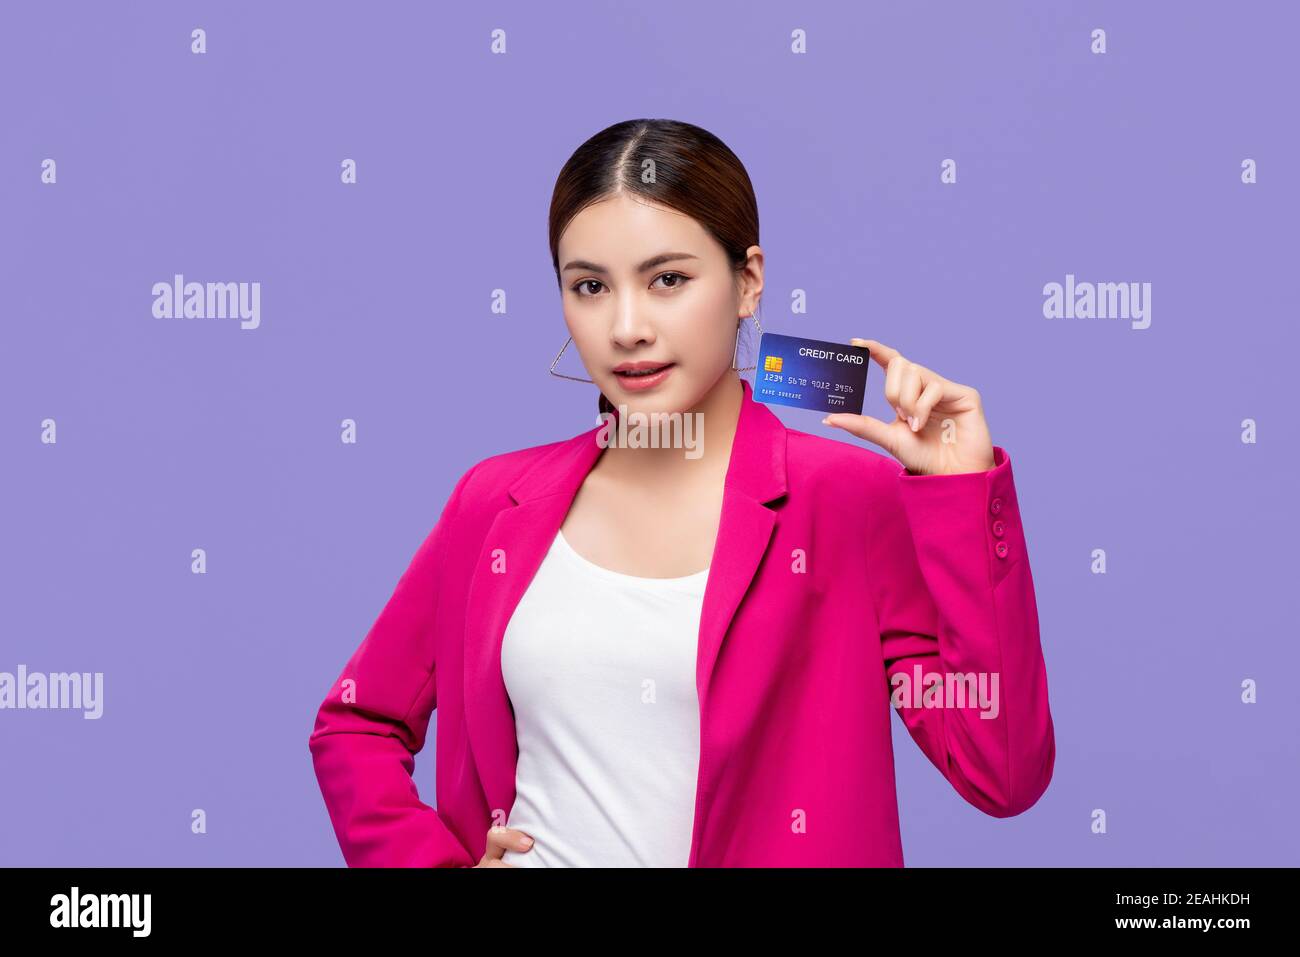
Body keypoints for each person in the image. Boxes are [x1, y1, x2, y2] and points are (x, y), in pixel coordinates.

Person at [308, 118, 1055, 868]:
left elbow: (1002, 770)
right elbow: (355, 722)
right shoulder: (495, 501)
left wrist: (962, 495)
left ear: (748, 282)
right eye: (590, 286)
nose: (627, 327)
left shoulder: (848, 499)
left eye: (668, 279)